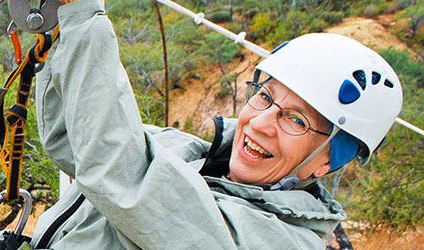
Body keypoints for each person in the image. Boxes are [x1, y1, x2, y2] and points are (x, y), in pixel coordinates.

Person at [28, 0, 403, 248]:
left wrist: (84, 19)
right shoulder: (185, 152)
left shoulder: (281, 241)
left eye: (296, 120)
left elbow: (125, 179)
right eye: (266, 97)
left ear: (327, 162)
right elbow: (76, 142)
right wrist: (55, 28)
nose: (260, 123)